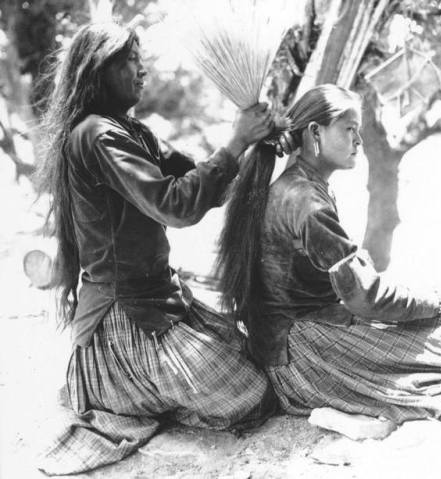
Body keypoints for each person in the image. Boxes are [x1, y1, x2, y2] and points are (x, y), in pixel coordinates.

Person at [36, 22, 293, 475]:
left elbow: (203, 181)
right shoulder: (97, 135)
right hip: (123, 321)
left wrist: (258, 146)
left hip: (156, 302)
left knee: (245, 354)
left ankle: (153, 392)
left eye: (140, 58)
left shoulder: (129, 130)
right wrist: (237, 140)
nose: (142, 70)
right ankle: (120, 390)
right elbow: (176, 206)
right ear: (100, 69)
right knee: (251, 394)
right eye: (130, 60)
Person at [216, 84, 441, 431]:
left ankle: (350, 409)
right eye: (349, 129)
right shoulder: (307, 204)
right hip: (303, 359)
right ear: (315, 132)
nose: (359, 140)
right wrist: (440, 299)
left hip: (286, 347)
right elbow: (365, 296)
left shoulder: (298, 188)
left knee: (440, 326)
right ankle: (349, 413)